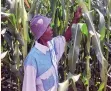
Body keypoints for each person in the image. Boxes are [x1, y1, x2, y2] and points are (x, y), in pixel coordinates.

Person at [22, 7, 81, 91]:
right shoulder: (32, 60)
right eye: (47, 27)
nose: (51, 28)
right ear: (41, 33)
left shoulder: (52, 45)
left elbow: (66, 37)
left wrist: (76, 18)